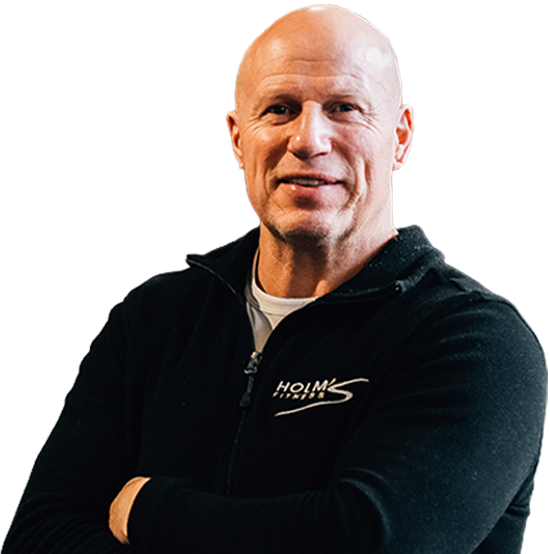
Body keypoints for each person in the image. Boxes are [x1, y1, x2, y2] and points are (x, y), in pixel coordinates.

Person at [3, 6, 545, 554]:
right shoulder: (152, 322)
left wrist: (150, 510)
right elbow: (38, 536)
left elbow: (372, 539)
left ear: (400, 137)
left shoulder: (474, 342)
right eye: (280, 109)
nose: (308, 139)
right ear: (239, 139)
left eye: (344, 108)